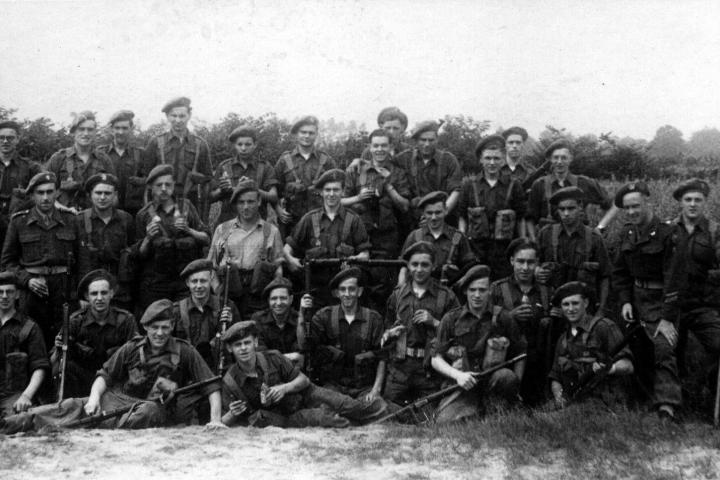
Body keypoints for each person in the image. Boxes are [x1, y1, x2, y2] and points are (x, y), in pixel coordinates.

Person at [431, 265, 526, 423]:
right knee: (445, 422)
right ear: (465, 291)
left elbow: (521, 353)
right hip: (463, 384)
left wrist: (516, 386)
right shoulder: (451, 319)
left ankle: (497, 409)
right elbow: (435, 358)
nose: (477, 295)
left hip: (494, 384)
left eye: (482, 290)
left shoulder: (503, 317)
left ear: (489, 291)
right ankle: (478, 412)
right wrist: (458, 375)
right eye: (472, 290)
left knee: (506, 377)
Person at [612, 181, 675, 418]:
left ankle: (667, 406)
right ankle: (641, 399)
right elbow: (620, 273)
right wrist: (626, 300)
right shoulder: (627, 234)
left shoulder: (668, 233)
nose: (631, 212)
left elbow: (674, 278)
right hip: (637, 301)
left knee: (663, 347)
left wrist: (668, 318)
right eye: (627, 208)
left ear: (648, 201)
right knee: (635, 348)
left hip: (662, 301)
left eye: (636, 206)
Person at [219, 320, 353, 428]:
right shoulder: (230, 381)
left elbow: (304, 380)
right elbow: (222, 421)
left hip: (298, 402)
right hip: (279, 422)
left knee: (346, 405)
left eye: (247, 343)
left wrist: (283, 388)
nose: (243, 348)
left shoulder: (272, 358)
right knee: (326, 419)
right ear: (230, 348)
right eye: (238, 345)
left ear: (255, 342)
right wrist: (232, 413)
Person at [661, 179, 720, 420]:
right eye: (688, 200)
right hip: (672, 308)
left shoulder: (715, 232)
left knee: (718, 344)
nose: (693, 204)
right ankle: (671, 405)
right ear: (681, 202)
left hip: (702, 306)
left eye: (698, 200)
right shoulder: (667, 231)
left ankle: (708, 390)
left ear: (705, 202)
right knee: (667, 349)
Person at [1, 172, 79, 347]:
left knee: (64, 340)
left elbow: (83, 261)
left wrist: (81, 294)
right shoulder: (19, 222)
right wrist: (27, 280)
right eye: (40, 193)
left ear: (57, 193)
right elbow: (7, 262)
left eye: (50, 192)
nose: (45, 197)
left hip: (64, 290)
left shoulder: (71, 220)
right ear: (32, 195)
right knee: (31, 339)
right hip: (32, 293)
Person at [381, 241, 459, 407]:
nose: (419, 269)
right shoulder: (397, 295)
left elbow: (458, 332)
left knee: (428, 416)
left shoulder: (446, 296)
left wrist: (435, 322)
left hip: (429, 371)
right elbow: (385, 328)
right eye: (414, 264)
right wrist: (390, 333)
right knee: (389, 412)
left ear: (433, 266)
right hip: (400, 370)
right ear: (408, 266)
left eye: (425, 264)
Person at [343, 128, 411, 306]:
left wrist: (388, 185)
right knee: (357, 281)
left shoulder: (398, 173)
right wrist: (358, 197)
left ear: (391, 147)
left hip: (386, 237)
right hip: (359, 235)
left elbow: (405, 206)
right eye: (376, 146)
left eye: (384, 146)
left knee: (383, 285)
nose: (380, 149)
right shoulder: (356, 170)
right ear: (369, 147)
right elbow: (340, 200)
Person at [284, 169, 370, 307]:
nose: (331, 194)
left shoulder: (354, 220)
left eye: (336, 190)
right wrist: (291, 260)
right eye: (327, 190)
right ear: (321, 192)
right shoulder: (308, 219)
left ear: (342, 192)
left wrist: (357, 258)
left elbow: (365, 254)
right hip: (315, 291)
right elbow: (287, 249)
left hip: (344, 291)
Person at [490, 238, 557, 405]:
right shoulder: (497, 289)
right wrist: (509, 317)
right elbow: (485, 326)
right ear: (512, 261)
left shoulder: (547, 291)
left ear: (537, 263)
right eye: (520, 261)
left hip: (540, 362)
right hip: (508, 359)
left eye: (530, 262)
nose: (525, 268)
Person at [51, 269, 138, 398]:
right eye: (94, 293)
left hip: (114, 380)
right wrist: (60, 347)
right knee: (62, 366)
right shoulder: (75, 321)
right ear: (87, 296)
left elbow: (136, 356)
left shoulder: (126, 320)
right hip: (84, 380)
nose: (99, 298)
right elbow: (57, 359)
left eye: (104, 293)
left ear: (112, 294)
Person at [134, 165, 209, 310]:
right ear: (150, 187)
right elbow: (139, 255)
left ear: (173, 185)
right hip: (156, 284)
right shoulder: (143, 215)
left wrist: (189, 230)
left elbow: (206, 239)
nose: (163, 188)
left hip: (185, 283)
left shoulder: (187, 207)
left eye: (167, 184)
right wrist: (148, 238)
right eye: (159, 185)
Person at [549, 282, 634, 409]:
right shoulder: (563, 339)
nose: (571, 309)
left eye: (575, 303)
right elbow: (555, 376)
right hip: (576, 399)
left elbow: (628, 366)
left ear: (586, 303)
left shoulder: (604, 327)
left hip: (606, 401)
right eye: (566, 304)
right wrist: (559, 398)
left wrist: (610, 369)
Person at [307, 268, 386, 403]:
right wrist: (303, 313)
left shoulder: (374, 319)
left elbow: (382, 357)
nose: (347, 294)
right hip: (333, 387)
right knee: (324, 407)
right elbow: (306, 345)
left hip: (364, 389)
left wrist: (375, 390)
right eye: (343, 290)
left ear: (359, 292)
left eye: (351, 289)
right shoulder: (324, 316)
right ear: (337, 293)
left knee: (377, 407)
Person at [208, 180, 284, 316]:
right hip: (228, 294)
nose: (246, 207)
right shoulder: (222, 230)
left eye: (250, 202)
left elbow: (278, 268)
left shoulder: (271, 231)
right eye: (241, 202)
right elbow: (211, 266)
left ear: (259, 201)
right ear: (236, 204)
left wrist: (273, 294)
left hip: (260, 297)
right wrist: (218, 291)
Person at [535, 186, 612, 317]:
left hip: (584, 309)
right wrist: (537, 270)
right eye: (562, 209)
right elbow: (535, 262)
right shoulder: (546, 234)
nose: (566, 213)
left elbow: (605, 276)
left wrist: (601, 309)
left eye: (571, 208)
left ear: (580, 207)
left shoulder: (594, 239)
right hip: (554, 309)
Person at [458, 134, 526, 280]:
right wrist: (463, 245)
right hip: (476, 251)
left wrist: (522, 246)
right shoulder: (468, 185)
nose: (492, 163)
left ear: (503, 160)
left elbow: (521, 219)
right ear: (481, 160)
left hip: (505, 252)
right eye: (488, 158)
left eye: (496, 158)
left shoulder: (514, 185)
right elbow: (462, 217)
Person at [525, 139, 616, 239]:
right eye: (556, 157)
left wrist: (599, 228)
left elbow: (612, 205)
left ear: (570, 158)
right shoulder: (539, 185)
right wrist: (534, 240)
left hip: (579, 242)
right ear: (550, 159)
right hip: (549, 241)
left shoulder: (584, 182)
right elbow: (530, 218)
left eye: (564, 158)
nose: (559, 162)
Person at [141, 97, 212, 218]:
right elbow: (146, 179)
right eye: (173, 116)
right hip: (161, 203)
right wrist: (151, 212)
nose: (178, 120)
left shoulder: (200, 144)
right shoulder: (156, 142)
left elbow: (208, 179)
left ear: (189, 115)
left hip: (191, 203)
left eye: (182, 116)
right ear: (167, 117)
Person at [75, 173, 136, 311]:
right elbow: (74, 261)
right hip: (91, 291)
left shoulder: (126, 220)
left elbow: (133, 255)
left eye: (107, 193)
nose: (102, 197)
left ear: (115, 195)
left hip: (120, 290)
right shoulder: (79, 220)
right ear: (90, 195)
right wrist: (80, 294)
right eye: (98, 193)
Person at [173, 259, 239, 373]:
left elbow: (239, 343)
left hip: (219, 371)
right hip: (187, 372)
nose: (198, 286)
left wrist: (230, 326)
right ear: (187, 283)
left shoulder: (227, 306)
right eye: (194, 281)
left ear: (211, 281)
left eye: (203, 281)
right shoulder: (176, 310)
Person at [275, 116, 335, 237]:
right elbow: (275, 190)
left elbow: (337, 189)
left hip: (320, 221)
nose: (307, 136)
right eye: (303, 132)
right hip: (291, 222)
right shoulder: (284, 160)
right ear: (297, 134)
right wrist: (278, 210)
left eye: (311, 133)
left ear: (316, 135)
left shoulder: (327, 161)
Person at [394, 120, 463, 227]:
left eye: (431, 140)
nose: (427, 144)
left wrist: (440, 215)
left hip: (444, 219)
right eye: (423, 140)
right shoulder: (403, 159)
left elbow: (456, 190)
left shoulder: (448, 160)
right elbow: (383, 164)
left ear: (437, 140)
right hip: (413, 221)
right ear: (416, 140)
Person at [398, 191, 474, 287]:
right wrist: (401, 288)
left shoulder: (457, 236)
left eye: (438, 212)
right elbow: (403, 267)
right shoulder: (415, 236)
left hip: (449, 293)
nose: (434, 217)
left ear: (446, 211)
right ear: (423, 214)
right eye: (429, 213)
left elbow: (468, 268)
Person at [45, 111, 115, 211]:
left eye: (90, 130)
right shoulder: (59, 158)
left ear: (95, 132)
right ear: (73, 132)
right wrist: (62, 208)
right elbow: (43, 191)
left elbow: (113, 193)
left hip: (94, 219)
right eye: (81, 129)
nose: (86, 133)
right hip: (64, 217)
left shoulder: (104, 159)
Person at [0, 271, 48, 417]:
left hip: (14, 395)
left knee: (18, 420)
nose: (4, 296)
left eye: (9, 292)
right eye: (0, 292)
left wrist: (26, 396)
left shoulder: (29, 327)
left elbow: (39, 367)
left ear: (18, 295)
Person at [209, 125, 279, 226]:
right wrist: (222, 190)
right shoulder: (225, 166)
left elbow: (273, 196)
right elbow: (211, 198)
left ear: (255, 145)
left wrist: (251, 187)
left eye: (248, 144)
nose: (243, 148)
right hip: (228, 225)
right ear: (234, 145)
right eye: (239, 144)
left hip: (256, 226)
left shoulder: (264, 167)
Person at [95, 110, 146, 217]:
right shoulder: (100, 153)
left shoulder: (140, 154)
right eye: (117, 128)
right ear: (111, 130)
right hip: (106, 210)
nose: (121, 132)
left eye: (124, 128)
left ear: (131, 129)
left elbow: (148, 181)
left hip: (133, 212)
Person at [251, 277, 310, 366]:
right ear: (268, 300)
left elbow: (302, 355)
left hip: (296, 371)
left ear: (291, 299)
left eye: (283, 298)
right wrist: (290, 357)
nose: (278, 303)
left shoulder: (299, 319)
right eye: (274, 298)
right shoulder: (258, 319)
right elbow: (261, 356)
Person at [0, 120, 43, 221]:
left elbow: (45, 190)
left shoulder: (31, 167)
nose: (5, 141)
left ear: (17, 139)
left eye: (10, 138)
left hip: (19, 223)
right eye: (1, 137)